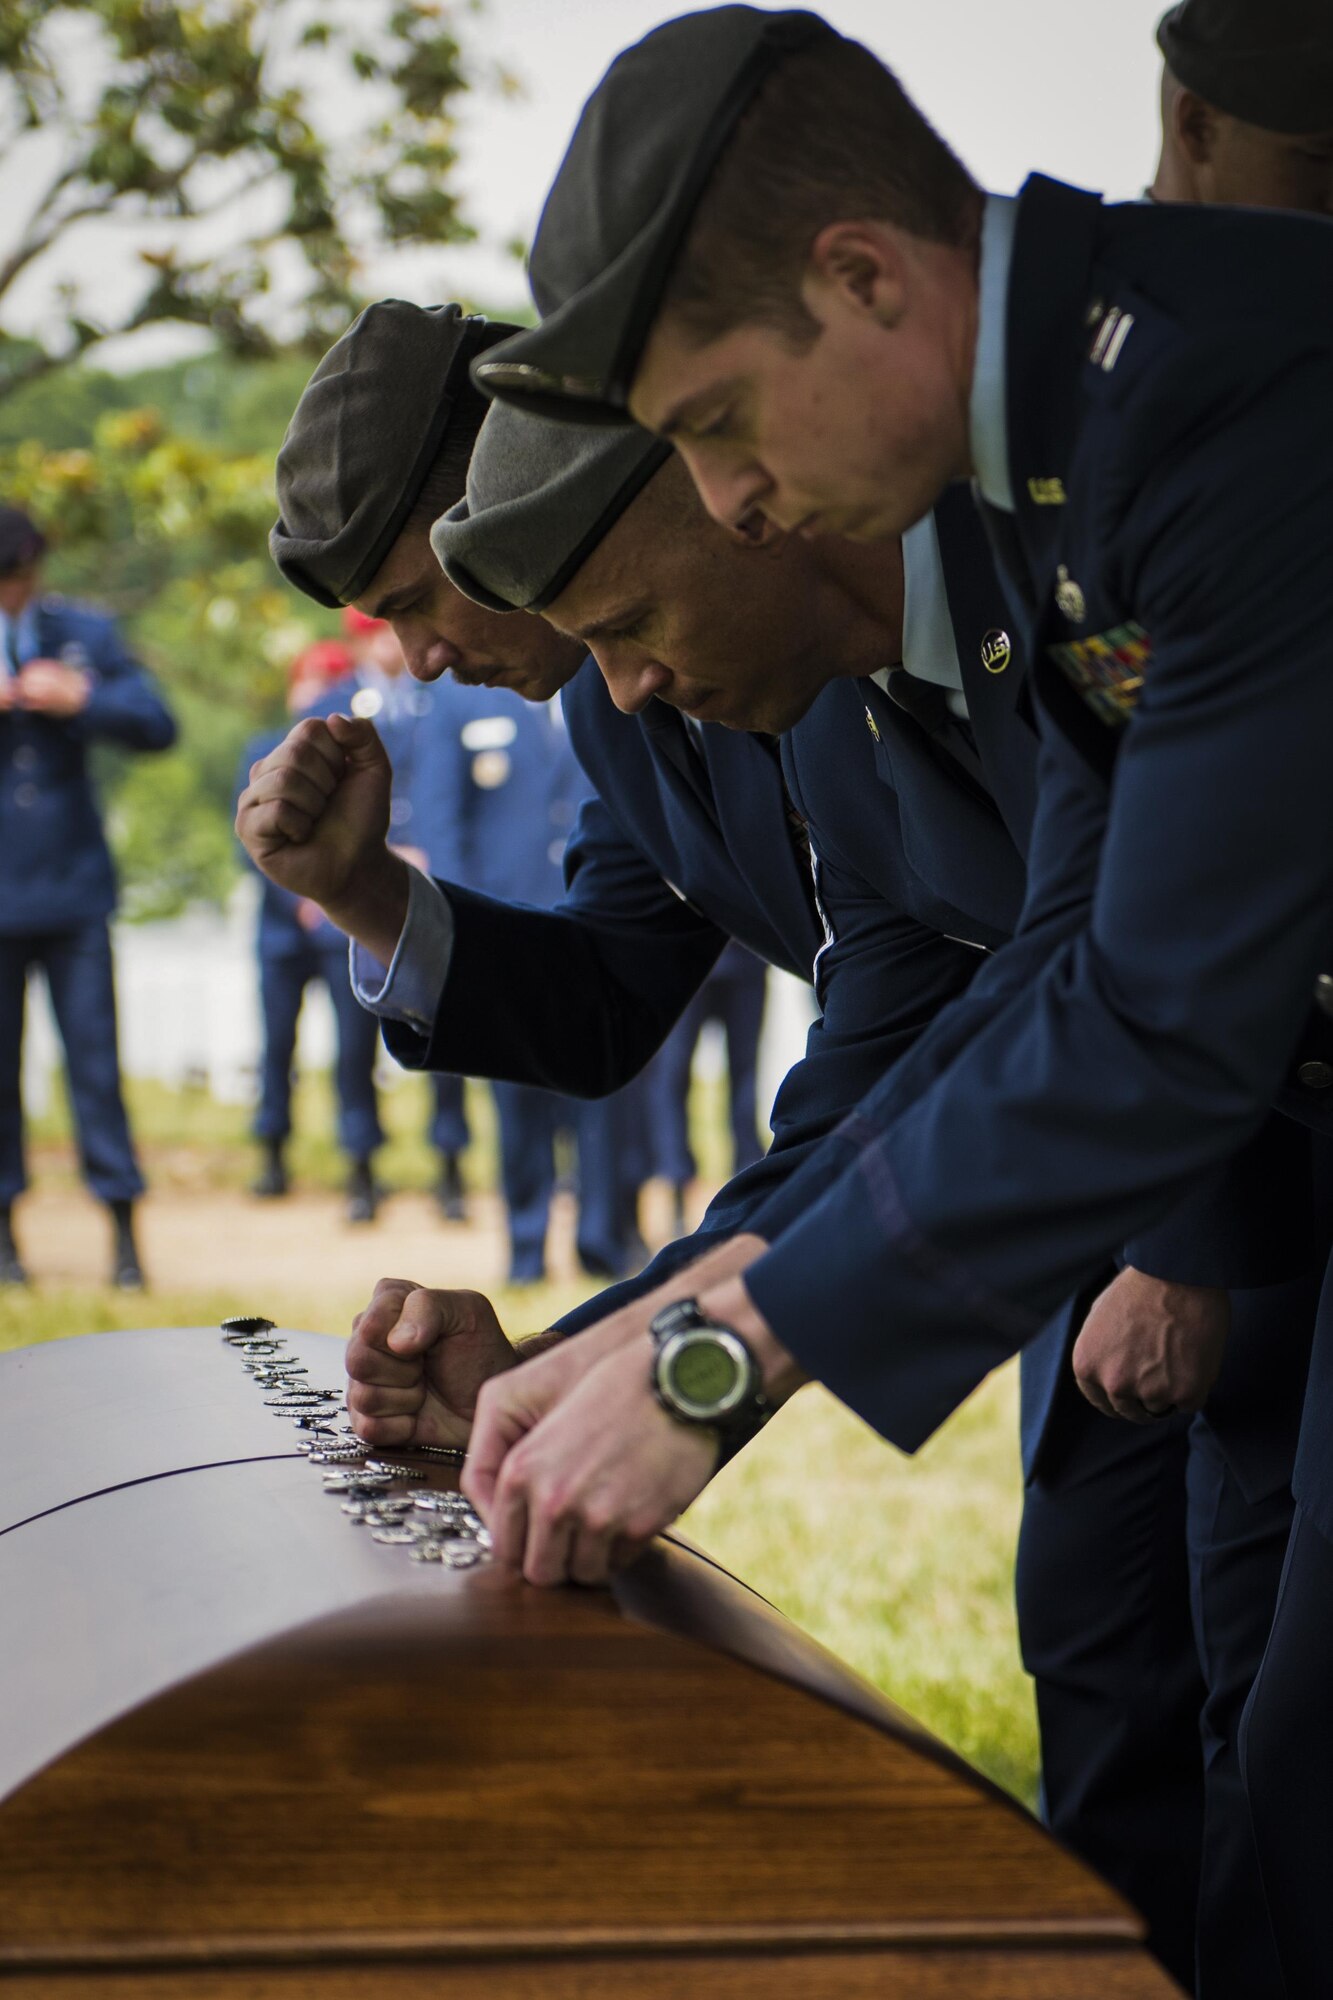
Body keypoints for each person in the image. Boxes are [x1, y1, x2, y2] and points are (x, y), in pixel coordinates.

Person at [445, 5, 1333, 1981]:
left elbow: (1162, 1015)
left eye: (718, 425)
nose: (734, 502)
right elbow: (1053, 965)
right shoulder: (1055, 455)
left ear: (862, 278)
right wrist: (664, 1319)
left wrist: (720, 1363)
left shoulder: (1217, 396)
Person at [0, 503, 176, 1289]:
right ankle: (4, 1240)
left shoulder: (82, 631)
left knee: (95, 1069)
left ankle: (123, 1233)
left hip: (73, 892)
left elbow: (156, 722)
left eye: (22, 576)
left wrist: (81, 699)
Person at [238, 635, 385, 1222]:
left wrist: (331, 896)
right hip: (280, 933)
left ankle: (361, 1167)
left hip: (337, 935)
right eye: (313, 679)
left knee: (354, 1054)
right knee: (276, 1048)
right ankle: (272, 1156)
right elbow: (243, 844)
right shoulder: (257, 748)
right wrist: (299, 893)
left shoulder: (354, 765)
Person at [649, 940, 768, 1230]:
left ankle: (750, 1182)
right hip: (684, 958)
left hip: (747, 956)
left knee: (745, 1075)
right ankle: (677, 1181)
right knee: (672, 1076)